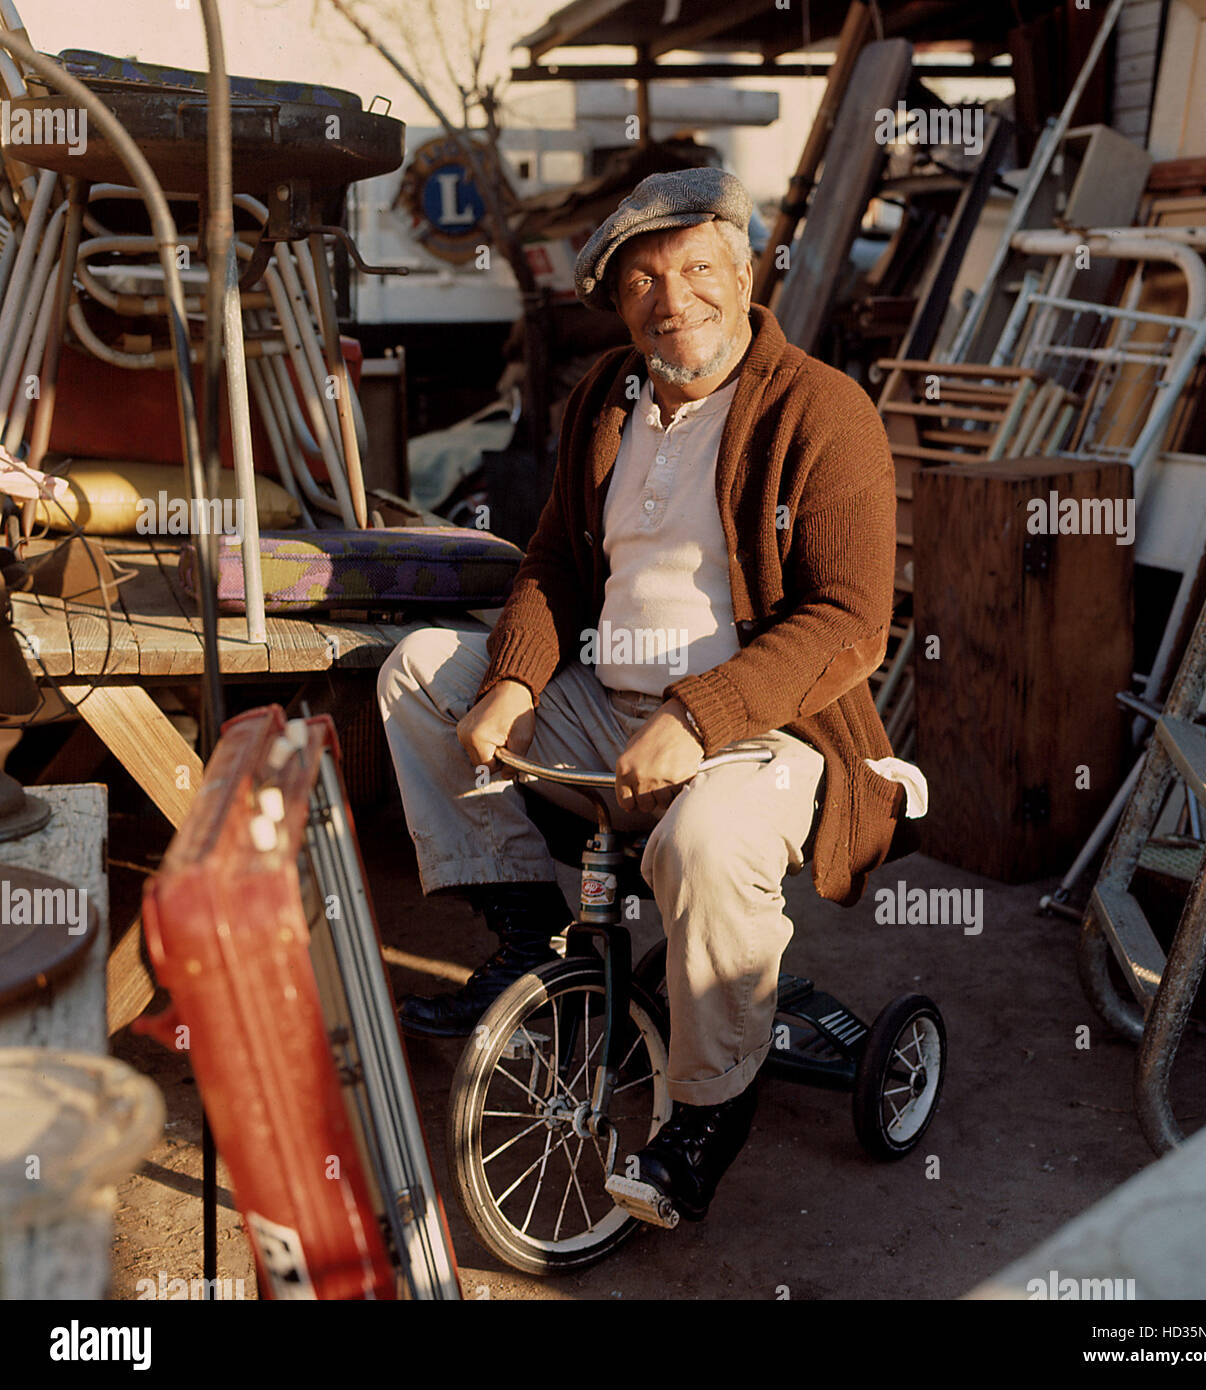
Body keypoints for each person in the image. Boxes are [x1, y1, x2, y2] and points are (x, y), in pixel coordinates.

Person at [377, 166, 926, 1227]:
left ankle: (703, 1115)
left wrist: (697, 713)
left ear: (745, 269)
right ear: (616, 301)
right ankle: (528, 937)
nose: (672, 298)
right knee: (417, 671)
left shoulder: (822, 407)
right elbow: (550, 565)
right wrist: (511, 684)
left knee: (704, 844)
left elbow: (852, 618)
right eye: (640, 279)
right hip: (607, 707)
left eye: (695, 267)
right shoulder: (605, 398)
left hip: (767, 733)